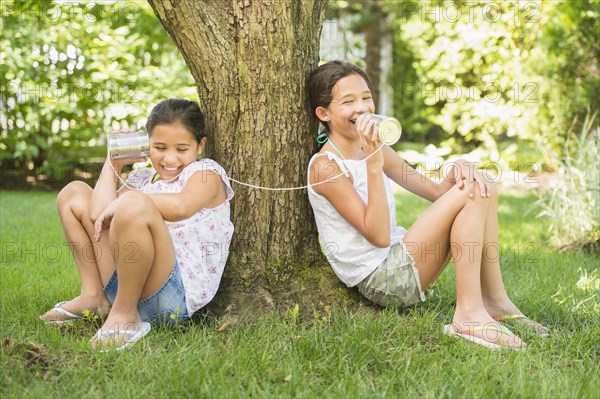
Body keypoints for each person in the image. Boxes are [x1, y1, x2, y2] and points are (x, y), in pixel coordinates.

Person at [306, 61, 548, 350]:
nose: (363, 108)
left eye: (366, 97)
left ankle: (495, 301)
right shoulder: (325, 168)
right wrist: (373, 164)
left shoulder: (373, 147)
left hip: (400, 258)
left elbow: (435, 191)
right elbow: (379, 235)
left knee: (481, 183)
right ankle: (469, 315)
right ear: (324, 113)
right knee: (471, 192)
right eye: (348, 101)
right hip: (382, 280)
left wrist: (458, 168)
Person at [40, 98, 234, 350]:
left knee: (134, 203)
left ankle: (125, 316)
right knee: (73, 193)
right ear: (146, 144)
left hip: (171, 295)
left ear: (200, 146)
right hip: (127, 281)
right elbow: (97, 213)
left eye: (182, 149)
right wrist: (113, 163)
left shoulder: (206, 173)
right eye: (160, 147)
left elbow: (181, 206)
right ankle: (94, 296)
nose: (170, 158)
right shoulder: (142, 177)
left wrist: (127, 202)